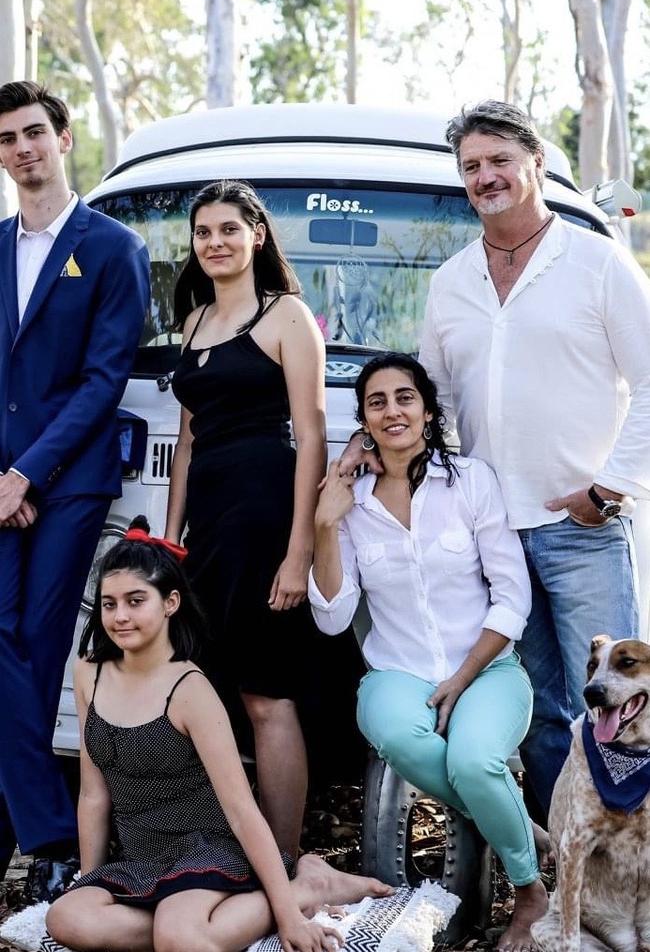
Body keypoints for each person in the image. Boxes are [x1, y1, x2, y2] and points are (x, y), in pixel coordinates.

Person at [341, 101, 650, 817]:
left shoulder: (597, 262)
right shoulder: (452, 282)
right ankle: (555, 879)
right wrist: (366, 446)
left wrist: (606, 490)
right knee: (540, 718)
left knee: (615, 706)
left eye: (499, 160)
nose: (486, 177)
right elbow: (431, 401)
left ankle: (629, 886)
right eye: (472, 167)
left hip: (583, 530)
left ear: (535, 162)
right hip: (488, 534)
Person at [45, 527, 391, 952]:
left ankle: (306, 889)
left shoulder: (190, 688)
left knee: (181, 935)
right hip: (143, 858)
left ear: (170, 603)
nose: (120, 617)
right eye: (109, 604)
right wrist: (90, 881)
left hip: (209, 850)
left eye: (137, 602)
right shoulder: (88, 672)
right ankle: (184, 924)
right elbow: (94, 794)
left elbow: (241, 809)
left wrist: (288, 917)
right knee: (67, 918)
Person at [310, 352, 548, 952]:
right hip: (397, 673)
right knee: (397, 730)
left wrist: (464, 678)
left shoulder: (471, 481)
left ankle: (528, 892)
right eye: (377, 401)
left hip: (488, 669)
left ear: (428, 410)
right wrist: (323, 524)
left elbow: (512, 598)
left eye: (405, 397)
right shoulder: (352, 504)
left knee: (473, 760)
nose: (393, 411)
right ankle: (522, 831)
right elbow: (334, 616)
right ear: (364, 418)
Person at [165, 180, 362, 862]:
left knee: (266, 695)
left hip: (265, 517)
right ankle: (215, 848)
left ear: (256, 235)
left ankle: (280, 864)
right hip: (209, 530)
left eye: (227, 229)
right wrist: (170, 542)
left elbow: (311, 435)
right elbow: (188, 441)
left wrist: (299, 550)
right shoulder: (190, 322)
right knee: (203, 691)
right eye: (203, 232)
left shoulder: (287, 317)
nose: (214, 242)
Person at [0, 80, 149, 901]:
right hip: (1, 482)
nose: (23, 150)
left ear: (63, 138)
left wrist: (29, 473)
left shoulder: (113, 246)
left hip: (67, 482)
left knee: (38, 642)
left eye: (34, 133)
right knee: (4, 642)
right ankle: (49, 829)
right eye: (8, 140)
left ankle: (40, 838)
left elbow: (102, 382)